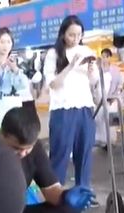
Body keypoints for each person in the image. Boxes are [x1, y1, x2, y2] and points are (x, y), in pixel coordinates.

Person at [0, 107, 94, 213]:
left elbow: (50, 190)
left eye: (27, 149)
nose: (23, 154)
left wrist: (66, 196)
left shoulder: (34, 149)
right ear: (1, 135)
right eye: (16, 148)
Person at [44, 15, 99, 189]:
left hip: (84, 107)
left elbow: (93, 81)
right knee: (60, 153)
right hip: (62, 109)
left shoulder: (86, 50)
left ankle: (83, 191)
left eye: (79, 35)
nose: (76, 39)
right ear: (63, 34)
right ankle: (55, 194)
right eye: (71, 35)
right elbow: (53, 84)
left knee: (84, 153)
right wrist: (70, 65)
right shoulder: (53, 54)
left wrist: (91, 71)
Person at [0, 27, 30, 128]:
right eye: (2, 42)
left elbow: (24, 86)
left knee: (14, 135)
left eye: (8, 42)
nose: (5, 45)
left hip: (14, 107)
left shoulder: (18, 62)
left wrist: (15, 70)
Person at [94, 48, 124, 148]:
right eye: (102, 57)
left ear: (110, 57)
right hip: (99, 98)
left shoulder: (115, 70)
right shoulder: (98, 69)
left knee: (109, 120)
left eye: (106, 57)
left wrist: (114, 96)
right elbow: (94, 83)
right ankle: (101, 140)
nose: (104, 59)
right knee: (99, 120)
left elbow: (120, 84)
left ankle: (110, 141)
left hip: (111, 98)